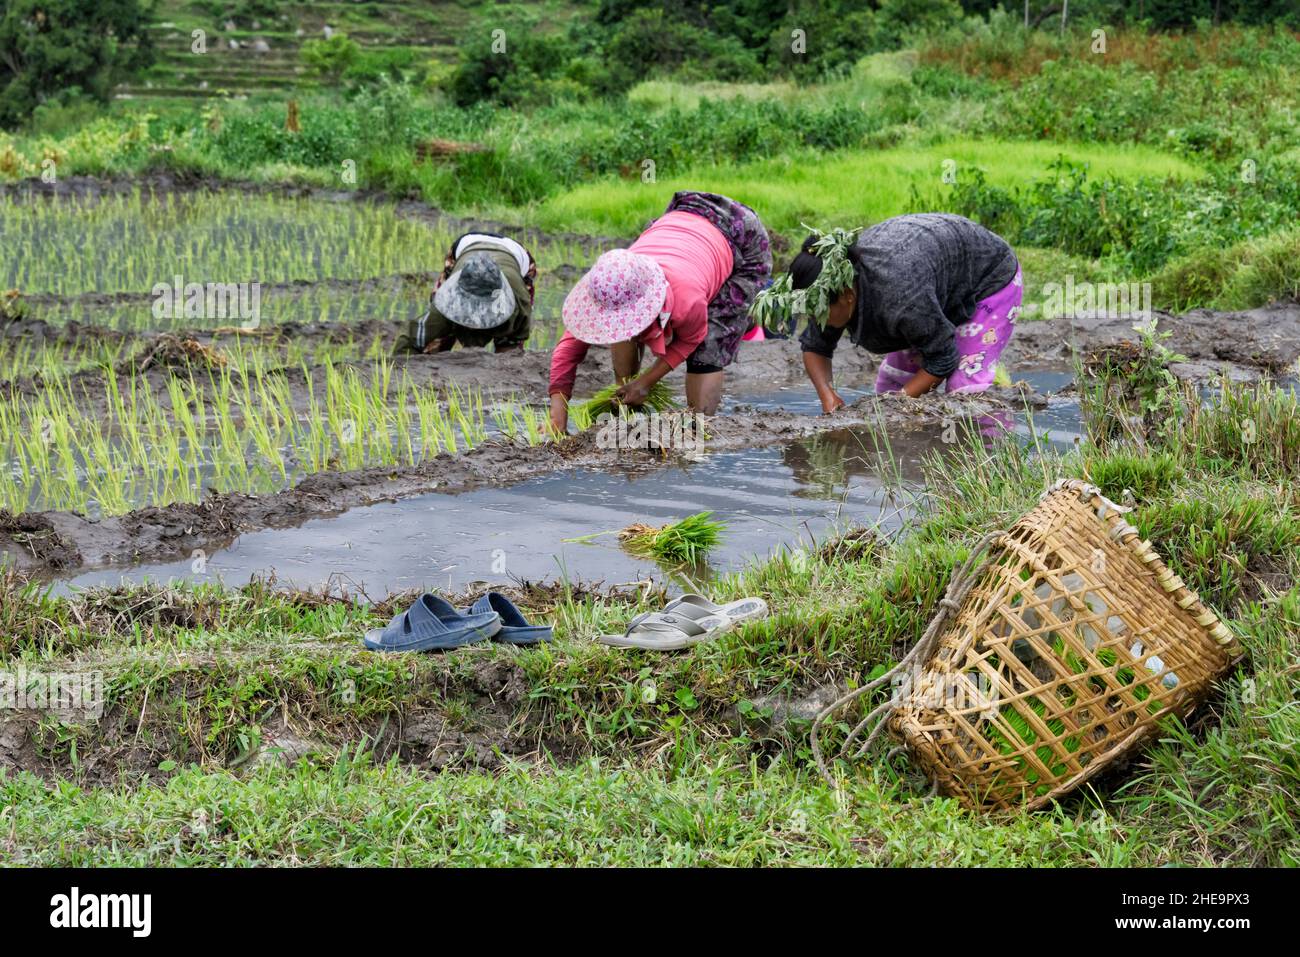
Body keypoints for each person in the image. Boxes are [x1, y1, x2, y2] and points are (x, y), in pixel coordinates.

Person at [548, 191, 772, 432]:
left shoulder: (687, 297)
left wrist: (646, 382)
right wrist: (558, 412)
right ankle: (626, 405)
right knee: (623, 330)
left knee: (708, 348)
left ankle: (698, 429)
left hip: (739, 236)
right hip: (681, 218)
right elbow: (568, 350)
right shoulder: (606, 285)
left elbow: (691, 339)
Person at [752, 214, 1021, 412]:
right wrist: (828, 396)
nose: (814, 321)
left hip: (987, 279)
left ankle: (986, 463)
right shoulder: (828, 286)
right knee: (892, 384)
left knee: (965, 388)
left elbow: (942, 358)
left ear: (848, 296)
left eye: (818, 313)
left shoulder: (901, 297)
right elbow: (815, 347)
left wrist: (898, 406)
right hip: (933, 284)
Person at [394, 231, 537, 355]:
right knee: (439, 335)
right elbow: (412, 338)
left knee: (509, 346)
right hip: (465, 247)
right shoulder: (445, 303)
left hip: (516, 254)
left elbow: (517, 337)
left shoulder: (518, 299)